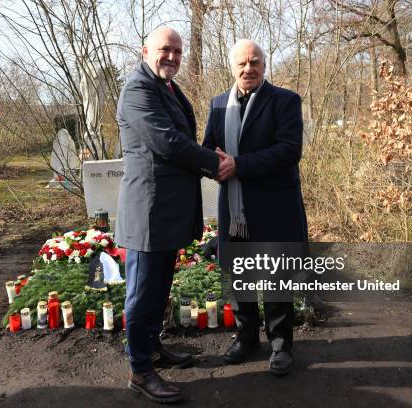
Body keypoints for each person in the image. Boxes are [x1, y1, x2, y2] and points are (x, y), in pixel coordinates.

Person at [116, 27, 224, 403]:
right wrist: (214, 163)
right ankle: (140, 372)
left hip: (165, 211)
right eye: (166, 50)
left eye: (178, 52)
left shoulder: (168, 88)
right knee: (143, 294)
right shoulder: (137, 89)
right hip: (147, 212)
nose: (173, 57)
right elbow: (167, 141)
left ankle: (152, 349)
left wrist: (212, 153)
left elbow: (183, 138)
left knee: (159, 289)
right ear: (145, 50)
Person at [203, 39, 308, 376]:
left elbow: (289, 150)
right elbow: (209, 149)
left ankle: (280, 345)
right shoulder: (218, 104)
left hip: (274, 207)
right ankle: (246, 337)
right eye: (242, 63)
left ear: (264, 65)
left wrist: (239, 166)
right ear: (232, 67)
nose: (249, 68)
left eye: (255, 62)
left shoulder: (285, 101)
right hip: (234, 211)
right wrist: (210, 165)